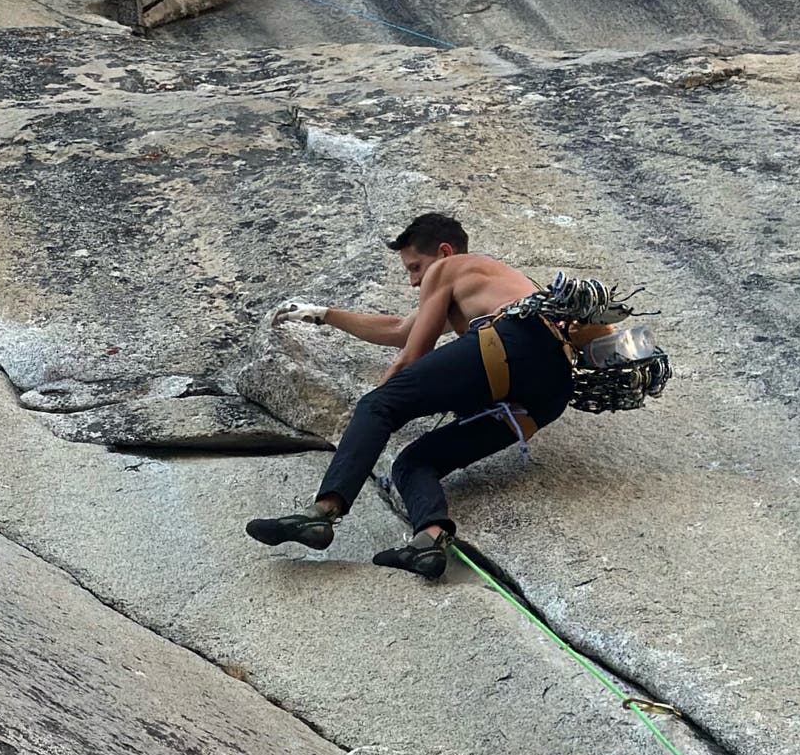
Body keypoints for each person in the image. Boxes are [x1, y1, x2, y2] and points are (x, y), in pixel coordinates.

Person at [245, 213, 591, 579]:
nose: (413, 282)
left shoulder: (452, 268)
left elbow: (412, 353)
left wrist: (377, 401)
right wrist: (323, 314)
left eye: (415, 268)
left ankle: (322, 513)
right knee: (413, 464)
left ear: (444, 252)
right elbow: (401, 329)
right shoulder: (488, 286)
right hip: (548, 394)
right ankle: (429, 539)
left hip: (511, 343)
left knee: (379, 405)